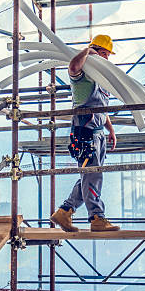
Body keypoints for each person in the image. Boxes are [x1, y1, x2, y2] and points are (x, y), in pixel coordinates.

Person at [50, 34, 120, 232]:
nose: (107, 59)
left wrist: (111, 131)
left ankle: (65, 211)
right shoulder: (84, 79)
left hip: (98, 134)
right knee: (92, 176)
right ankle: (97, 218)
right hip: (85, 134)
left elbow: (101, 109)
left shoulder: (100, 81)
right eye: (105, 54)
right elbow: (72, 68)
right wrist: (88, 51)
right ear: (99, 52)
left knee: (88, 177)